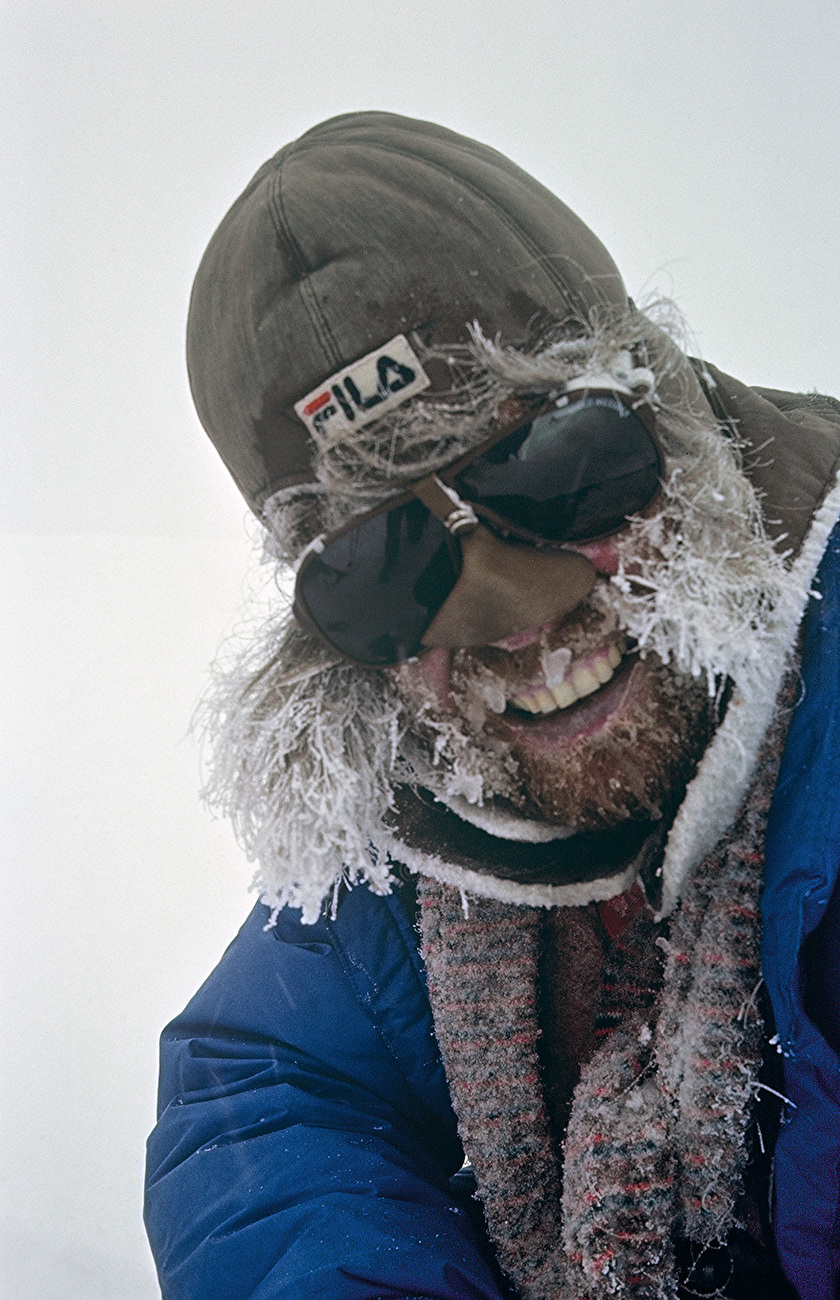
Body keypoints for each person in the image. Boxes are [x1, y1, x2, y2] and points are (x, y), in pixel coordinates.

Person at [144, 113, 840, 1299]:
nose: (514, 621)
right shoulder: (418, 807)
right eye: (381, 567)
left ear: (664, 410)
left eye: (558, 468)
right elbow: (263, 1079)